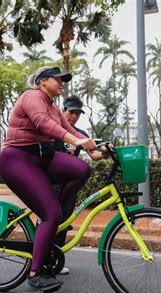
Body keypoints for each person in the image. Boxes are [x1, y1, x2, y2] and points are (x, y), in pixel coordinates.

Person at [0, 66, 97, 292]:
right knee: (52, 213)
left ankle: (51, 209)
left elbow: (71, 130)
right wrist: (78, 141)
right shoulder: (32, 96)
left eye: (64, 80)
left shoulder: (54, 107)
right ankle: (35, 273)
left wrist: (96, 147)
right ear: (43, 81)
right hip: (18, 160)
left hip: (44, 158)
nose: (62, 83)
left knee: (82, 170)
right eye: (58, 79)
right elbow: (43, 124)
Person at [52, 95, 108, 275]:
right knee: (50, 219)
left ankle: (54, 260)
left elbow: (94, 155)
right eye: (71, 112)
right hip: (51, 182)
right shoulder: (53, 129)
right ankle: (37, 258)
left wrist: (106, 154)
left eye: (77, 113)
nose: (74, 116)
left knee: (65, 222)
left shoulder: (79, 134)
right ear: (63, 110)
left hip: (70, 184)